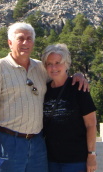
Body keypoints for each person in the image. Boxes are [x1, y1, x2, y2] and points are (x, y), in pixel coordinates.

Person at [0, 23, 89, 172]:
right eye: (21, 38)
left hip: (37, 143)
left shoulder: (40, 68)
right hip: (7, 141)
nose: (26, 43)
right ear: (10, 43)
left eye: (29, 39)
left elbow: (59, 76)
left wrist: (78, 76)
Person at [42, 43, 98, 172]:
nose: (53, 67)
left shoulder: (79, 88)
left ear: (67, 64)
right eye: (49, 63)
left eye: (58, 62)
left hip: (76, 161)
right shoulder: (45, 89)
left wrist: (92, 155)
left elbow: (91, 125)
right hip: (50, 160)